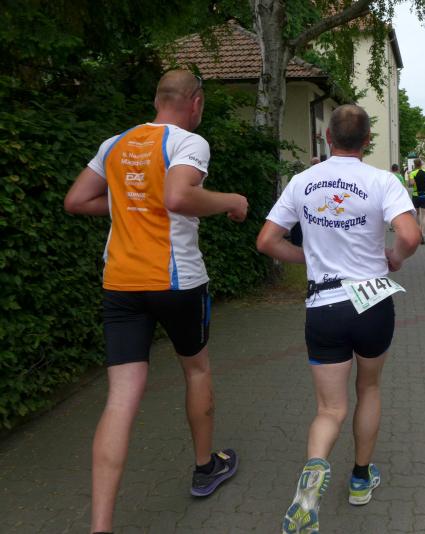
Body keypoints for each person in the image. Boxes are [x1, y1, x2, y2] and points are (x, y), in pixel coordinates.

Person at [64, 70, 248, 534]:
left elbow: (76, 201)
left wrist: (128, 204)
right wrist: (232, 200)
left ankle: (100, 527)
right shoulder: (188, 142)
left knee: (120, 399)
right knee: (197, 370)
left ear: (156, 99)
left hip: (120, 284)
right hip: (176, 282)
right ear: (196, 103)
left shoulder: (115, 144)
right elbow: (178, 196)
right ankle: (205, 469)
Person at [256, 104, 420, 534]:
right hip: (372, 302)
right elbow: (410, 234)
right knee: (369, 388)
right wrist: (395, 258)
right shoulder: (383, 181)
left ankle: (312, 479)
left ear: (328, 138)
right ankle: (361, 479)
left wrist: (307, 258)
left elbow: (267, 241)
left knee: (329, 408)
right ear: (367, 141)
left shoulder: (302, 181)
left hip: (323, 304)